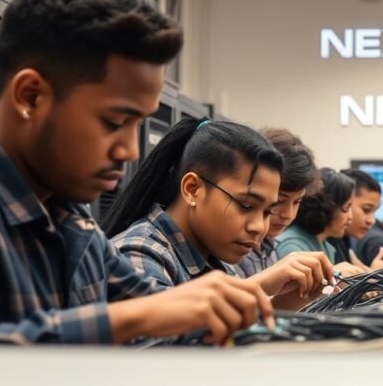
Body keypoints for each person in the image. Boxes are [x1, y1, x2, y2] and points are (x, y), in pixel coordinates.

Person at [0, 0, 273, 354]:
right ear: (30, 96)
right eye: (114, 122)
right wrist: (133, 319)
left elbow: (156, 306)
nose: (130, 151)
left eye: (138, 125)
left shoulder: (68, 214)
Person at [103, 118, 334, 311]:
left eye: (267, 212)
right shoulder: (138, 256)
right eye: (245, 205)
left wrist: (283, 305)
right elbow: (167, 352)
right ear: (192, 189)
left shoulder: (217, 260)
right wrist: (257, 287)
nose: (258, 227)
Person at [238, 128, 320, 278]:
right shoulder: (234, 246)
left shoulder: (269, 245)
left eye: (297, 202)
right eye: (279, 201)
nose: (288, 214)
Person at [276, 168, 363, 276]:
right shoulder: (292, 246)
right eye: (345, 208)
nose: (350, 217)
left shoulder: (323, 243)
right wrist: (335, 274)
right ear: (326, 206)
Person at [328, 169, 383, 270]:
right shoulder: (325, 242)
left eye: (374, 211)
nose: (372, 220)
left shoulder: (344, 240)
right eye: (366, 210)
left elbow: (358, 273)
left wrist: (373, 272)